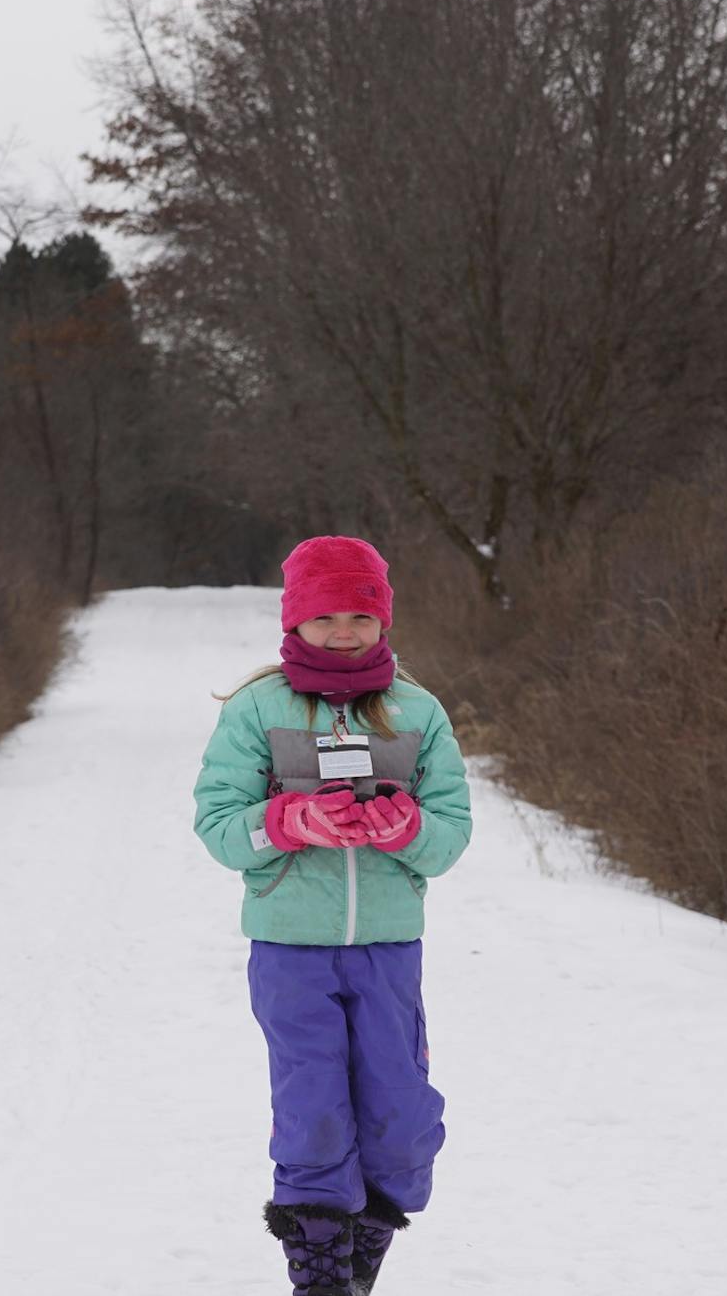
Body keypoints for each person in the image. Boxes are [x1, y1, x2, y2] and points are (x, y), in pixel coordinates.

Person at [192, 535, 474, 1296]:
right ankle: (319, 1276)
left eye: (360, 614)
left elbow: (450, 835)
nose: (343, 631)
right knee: (314, 1112)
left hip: (388, 950)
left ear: (383, 620)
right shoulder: (257, 708)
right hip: (291, 951)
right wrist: (288, 822)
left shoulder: (418, 712)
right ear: (294, 619)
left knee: (402, 1122)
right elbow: (219, 825)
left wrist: (408, 828)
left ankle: (359, 1257)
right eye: (325, 616)